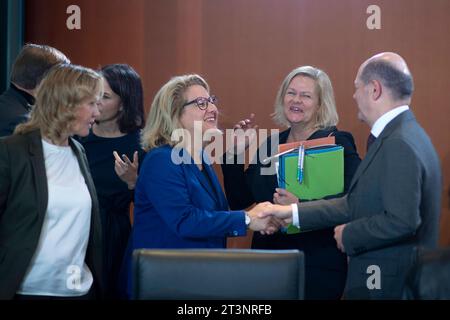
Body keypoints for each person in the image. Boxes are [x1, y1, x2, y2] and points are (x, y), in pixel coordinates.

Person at [260, 52, 442, 299]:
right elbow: (355, 203)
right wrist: (292, 213)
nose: (354, 95)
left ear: (374, 89)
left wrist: (349, 234)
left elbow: (402, 221)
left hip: (391, 283)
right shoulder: (401, 135)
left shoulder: (399, 142)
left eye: (357, 87)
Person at [121, 74, 280, 298]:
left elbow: (214, 216)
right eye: (201, 103)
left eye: (212, 100)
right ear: (174, 113)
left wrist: (256, 219)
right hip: (164, 284)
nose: (213, 108)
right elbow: (185, 220)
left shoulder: (201, 159)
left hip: (196, 280)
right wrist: (247, 219)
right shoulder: (161, 159)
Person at [221, 66, 361, 299]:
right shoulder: (270, 144)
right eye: (291, 93)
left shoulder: (336, 142)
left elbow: (352, 202)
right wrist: (234, 155)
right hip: (268, 261)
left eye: (306, 96)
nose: (296, 100)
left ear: (320, 104)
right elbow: (240, 200)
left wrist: (299, 207)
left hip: (317, 264)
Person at [0, 64, 104, 299]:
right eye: (91, 104)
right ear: (65, 103)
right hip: (25, 292)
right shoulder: (11, 152)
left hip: (79, 292)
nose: (97, 114)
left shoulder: (78, 151)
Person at [77, 64, 145, 299]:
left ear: (124, 102)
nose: (96, 102)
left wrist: (133, 182)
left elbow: (152, 206)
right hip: (76, 231)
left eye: (104, 97)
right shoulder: (78, 137)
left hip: (113, 237)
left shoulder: (142, 145)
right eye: (94, 94)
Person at [0, 43, 70, 137]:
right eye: (61, 78)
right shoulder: (22, 121)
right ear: (46, 79)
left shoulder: (6, 102)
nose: (64, 85)